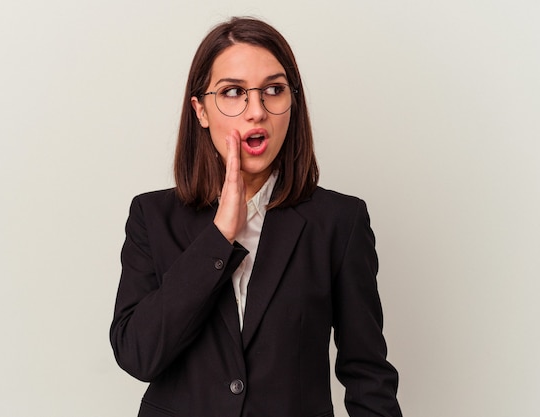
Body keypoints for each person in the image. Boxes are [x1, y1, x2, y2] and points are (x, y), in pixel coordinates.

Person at [110, 17, 402, 417]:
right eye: (233, 92)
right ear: (201, 111)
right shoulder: (151, 216)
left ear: (292, 103)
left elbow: (368, 374)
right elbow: (137, 354)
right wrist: (220, 235)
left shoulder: (339, 221)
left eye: (274, 90)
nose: (257, 111)